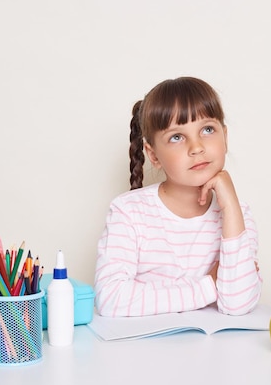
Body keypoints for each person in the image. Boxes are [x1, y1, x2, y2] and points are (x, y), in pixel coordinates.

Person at [94, 77, 262, 317]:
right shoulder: (129, 212)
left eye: (207, 129)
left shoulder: (238, 215)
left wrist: (231, 208)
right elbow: (111, 299)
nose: (196, 147)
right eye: (177, 137)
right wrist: (209, 286)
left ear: (225, 137)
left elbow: (238, 304)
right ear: (153, 155)